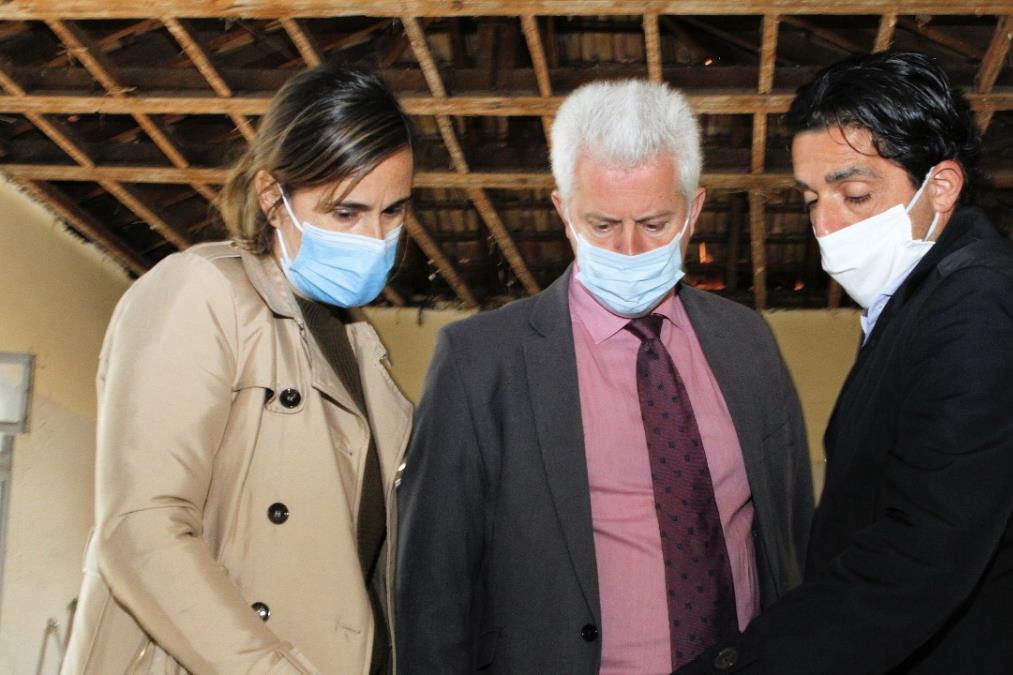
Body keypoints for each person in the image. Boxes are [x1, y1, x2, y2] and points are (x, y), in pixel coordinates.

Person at [678, 50, 1013, 675]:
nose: (825, 222)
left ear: (942, 187)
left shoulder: (982, 306)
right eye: (812, 197)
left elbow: (921, 552)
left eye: (853, 194)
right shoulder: (919, 307)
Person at [393, 79, 813, 674]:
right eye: (602, 225)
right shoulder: (479, 362)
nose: (630, 249)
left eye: (655, 223)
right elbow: (433, 588)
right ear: (563, 211)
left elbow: (792, 540)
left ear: (694, 211)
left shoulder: (747, 342)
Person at [60, 63, 415, 675]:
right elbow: (140, 529)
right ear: (272, 197)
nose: (374, 237)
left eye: (392, 212)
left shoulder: (362, 348)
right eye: (346, 212)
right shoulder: (200, 291)